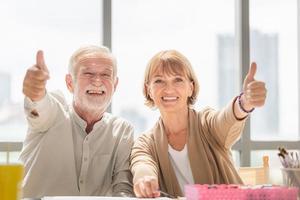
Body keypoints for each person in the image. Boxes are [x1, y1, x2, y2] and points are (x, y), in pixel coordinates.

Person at [130, 50, 267, 198]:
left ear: (191, 87)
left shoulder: (207, 124)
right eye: (159, 81)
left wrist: (244, 103)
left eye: (178, 80)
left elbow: (226, 119)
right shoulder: (145, 143)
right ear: (148, 89)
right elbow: (142, 164)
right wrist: (144, 179)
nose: (169, 89)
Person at [19, 45, 134, 198]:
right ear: (69, 83)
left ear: (115, 84)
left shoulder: (122, 130)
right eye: (88, 73)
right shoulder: (55, 110)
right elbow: (40, 107)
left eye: (106, 75)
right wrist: (36, 93)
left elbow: (123, 189)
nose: (97, 81)